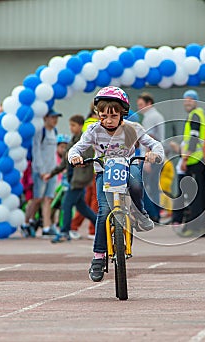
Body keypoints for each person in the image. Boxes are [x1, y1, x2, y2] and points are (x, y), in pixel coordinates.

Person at [68, 86, 164, 282]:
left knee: (136, 184)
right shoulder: (93, 130)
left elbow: (154, 144)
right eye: (103, 116)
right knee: (103, 212)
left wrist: (156, 154)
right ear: (98, 115)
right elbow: (76, 147)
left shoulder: (132, 129)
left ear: (123, 113)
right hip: (104, 172)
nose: (108, 121)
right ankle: (98, 256)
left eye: (113, 116)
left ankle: (140, 212)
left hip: (127, 167)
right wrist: (75, 157)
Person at [44, 115, 97, 243]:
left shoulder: (84, 142)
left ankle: (64, 232)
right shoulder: (72, 142)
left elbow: (90, 158)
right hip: (72, 179)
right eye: (70, 125)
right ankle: (101, 224)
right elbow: (64, 163)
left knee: (66, 205)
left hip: (79, 180)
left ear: (80, 126)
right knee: (82, 207)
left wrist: (82, 162)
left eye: (73, 125)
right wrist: (51, 174)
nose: (71, 128)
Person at [21, 109, 62, 238]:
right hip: (41, 171)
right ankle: (26, 222)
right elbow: (36, 152)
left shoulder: (54, 132)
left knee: (48, 199)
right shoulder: (40, 132)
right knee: (37, 198)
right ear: (45, 118)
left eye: (56, 117)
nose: (55, 120)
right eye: (52, 117)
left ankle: (46, 227)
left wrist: (54, 170)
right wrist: (41, 170)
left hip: (52, 171)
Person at [178, 89, 205, 237]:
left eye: (191, 99)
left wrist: (185, 159)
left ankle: (196, 226)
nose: (187, 101)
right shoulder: (199, 114)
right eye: (185, 99)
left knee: (195, 195)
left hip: (194, 159)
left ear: (196, 101)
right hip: (198, 159)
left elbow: (193, 138)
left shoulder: (195, 115)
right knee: (202, 193)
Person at [70, 105, 99, 240]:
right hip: (95, 167)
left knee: (85, 200)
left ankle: (74, 226)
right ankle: (93, 229)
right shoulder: (93, 124)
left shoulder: (88, 122)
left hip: (89, 167)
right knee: (95, 200)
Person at [137, 92, 165, 223]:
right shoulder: (157, 115)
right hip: (156, 155)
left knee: (143, 185)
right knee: (153, 186)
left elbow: (150, 138)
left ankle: (153, 214)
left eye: (142, 105)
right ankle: (156, 214)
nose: (140, 108)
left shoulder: (150, 117)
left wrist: (147, 160)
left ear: (149, 103)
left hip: (149, 156)